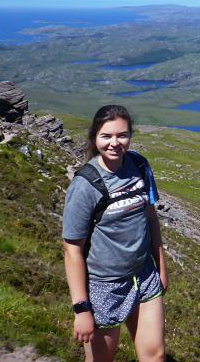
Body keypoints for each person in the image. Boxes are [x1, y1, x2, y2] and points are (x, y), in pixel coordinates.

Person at [62, 105, 168, 362]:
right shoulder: (85, 185)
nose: (114, 143)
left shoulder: (139, 165)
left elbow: (150, 218)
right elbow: (72, 249)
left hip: (144, 275)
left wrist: (161, 269)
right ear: (94, 138)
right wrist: (82, 308)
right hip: (104, 285)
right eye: (106, 136)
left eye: (122, 135)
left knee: (155, 355)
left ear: (130, 136)